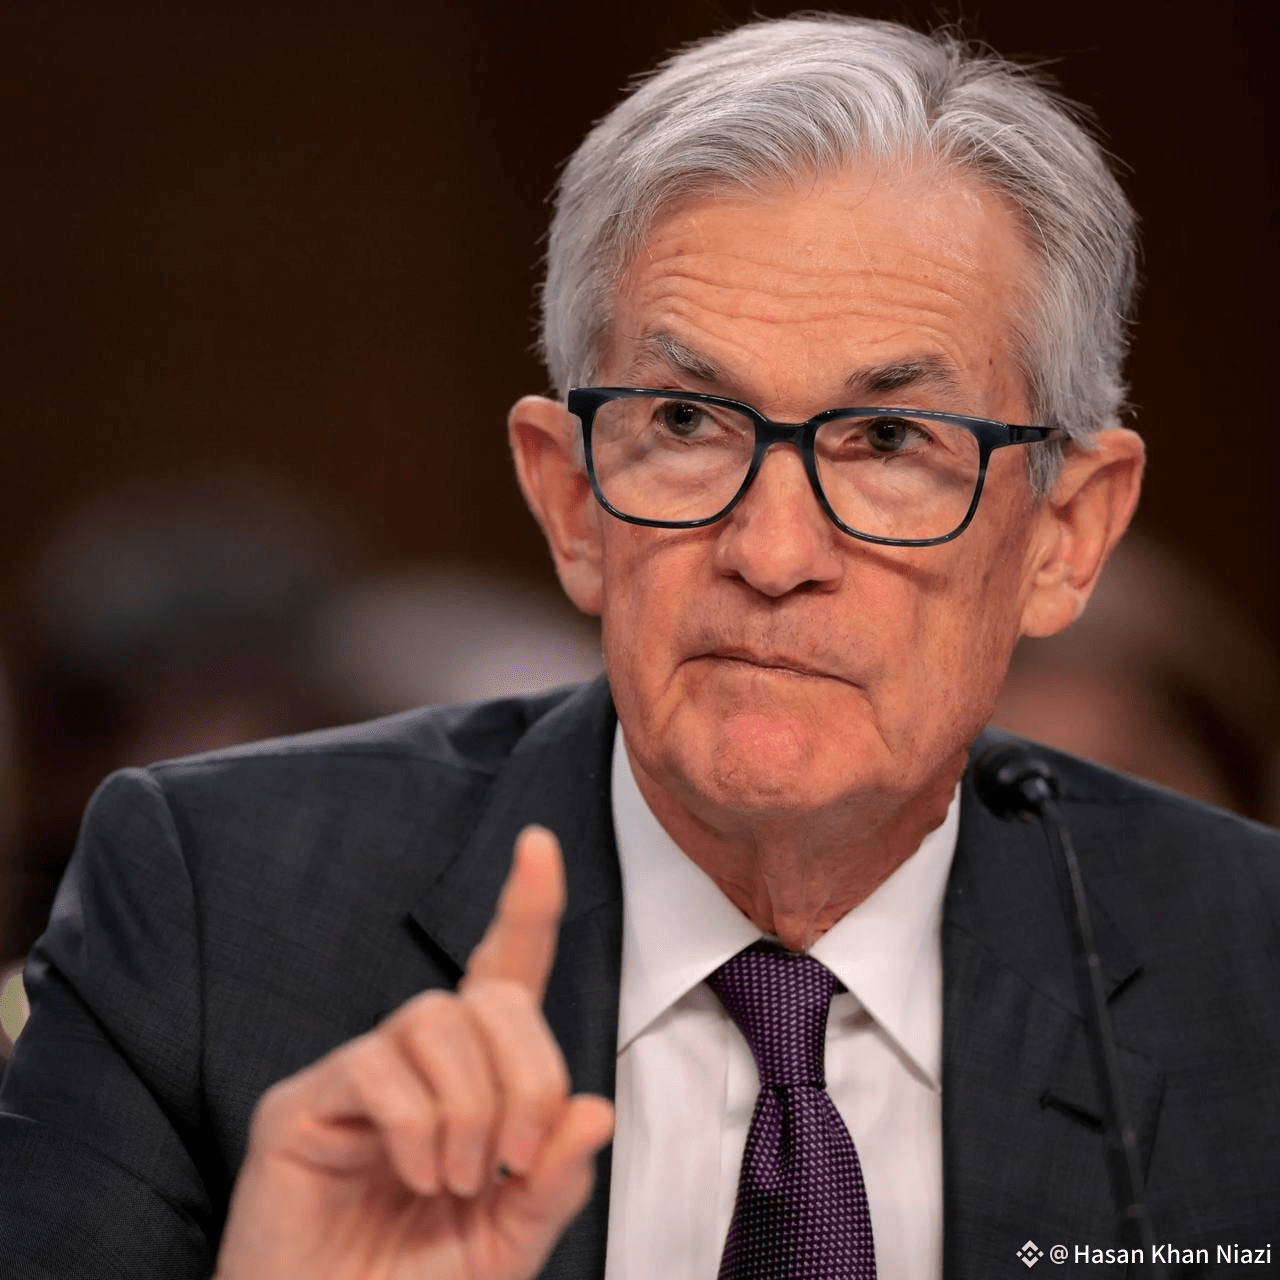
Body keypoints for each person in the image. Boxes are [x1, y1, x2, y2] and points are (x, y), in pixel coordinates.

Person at [2, 14, 1277, 1280]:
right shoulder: (211, 912)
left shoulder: (1250, 971)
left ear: (1064, 533)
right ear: (569, 499)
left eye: (889, 440)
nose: (771, 552)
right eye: (684, 421)